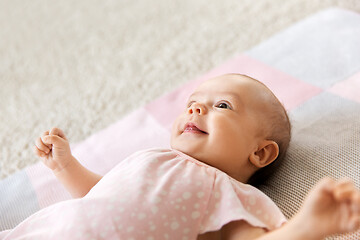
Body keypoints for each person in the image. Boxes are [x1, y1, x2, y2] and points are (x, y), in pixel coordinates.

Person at [2, 74, 359, 240]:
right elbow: (100, 194)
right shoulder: (150, 157)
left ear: (260, 152)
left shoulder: (230, 194)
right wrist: (65, 165)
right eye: (192, 103)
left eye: (222, 105)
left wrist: (304, 227)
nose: (196, 107)